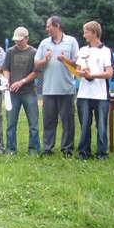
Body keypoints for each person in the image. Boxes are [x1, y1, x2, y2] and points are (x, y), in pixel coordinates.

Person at [35, 16, 79, 157]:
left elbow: (77, 64)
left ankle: (67, 149)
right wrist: (45, 59)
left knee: (67, 122)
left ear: (57, 25)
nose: (47, 29)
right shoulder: (44, 43)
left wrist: (64, 59)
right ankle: (48, 148)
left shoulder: (71, 41)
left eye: (49, 26)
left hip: (66, 89)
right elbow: (36, 64)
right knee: (48, 121)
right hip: (48, 90)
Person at [75, 21, 114, 160]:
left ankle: (102, 153)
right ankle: (84, 152)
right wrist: (83, 72)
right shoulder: (82, 50)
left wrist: (93, 75)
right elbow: (77, 71)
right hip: (84, 94)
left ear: (94, 33)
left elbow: (109, 73)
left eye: (86, 31)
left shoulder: (106, 51)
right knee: (85, 124)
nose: (84, 34)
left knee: (101, 126)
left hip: (101, 95)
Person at [2, 27, 40, 155]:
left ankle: (34, 150)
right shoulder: (10, 52)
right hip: (13, 94)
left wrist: (22, 81)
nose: (17, 42)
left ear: (27, 38)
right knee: (10, 123)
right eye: (16, 40)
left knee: (33, 124)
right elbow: (6, 68)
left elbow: (36, 72)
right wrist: (7, 81)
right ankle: (11, 149)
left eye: (20, 40)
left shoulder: (34, 52)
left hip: (29, 92)